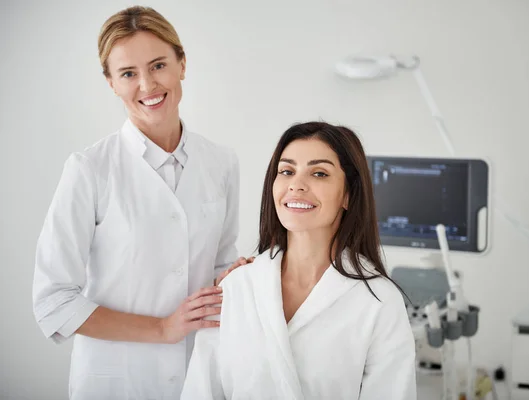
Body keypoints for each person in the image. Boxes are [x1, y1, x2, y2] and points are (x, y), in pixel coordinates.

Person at [32, 6, 249, 399]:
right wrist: (163, 329)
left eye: (159, 65)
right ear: (111, 83)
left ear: (182, 64)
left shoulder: (222, 163)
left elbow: (217, 268)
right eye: (128, 73)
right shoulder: (88, 170)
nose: (147, 85)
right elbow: (53, 300)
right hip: (116, 381)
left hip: (198, 375)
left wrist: (241, 276)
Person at [181, 122, 417, 399]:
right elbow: (201, 391)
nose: (296, 185)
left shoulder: (378, 300)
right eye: (287, 171)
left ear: (348, 195)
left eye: (319, 173)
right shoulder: (237, 287)